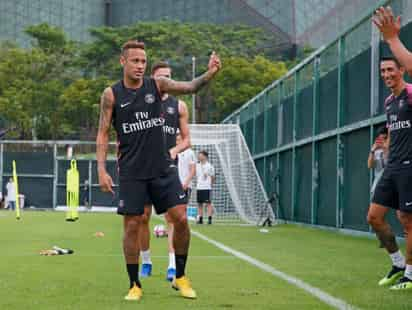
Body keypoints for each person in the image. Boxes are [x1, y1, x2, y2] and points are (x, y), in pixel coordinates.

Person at [96, 40, 221, 301]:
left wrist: (209, 73)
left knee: (182, 219)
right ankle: (134, 284)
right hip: (131, 171)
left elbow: (190, 86)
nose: (140, 66)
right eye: (135, 61)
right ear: (123, 62)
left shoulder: (158, 85)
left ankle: (181, 276)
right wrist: (101, 168)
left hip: (163, 169)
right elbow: (103, 133)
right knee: (132, 226)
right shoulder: (111, 95)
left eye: (143, 61)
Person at [139, 62, 192, 281]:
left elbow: (187, 139)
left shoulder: (179, 106)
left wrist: (175, 149)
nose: (166, 81)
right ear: (153, 79)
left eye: (169, 77)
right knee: (142, 217)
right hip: (143, 169)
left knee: (175, 218)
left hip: (167, 169)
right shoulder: (140, 102)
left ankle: (172, 266)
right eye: (162, 77)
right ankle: (146, 261)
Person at [366, 56, 412, 290]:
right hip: (391, 167)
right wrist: (386, 147)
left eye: (390, 69)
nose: (386, 75)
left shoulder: (411, 93)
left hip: (409, 166)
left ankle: (411, 276)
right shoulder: (389, 102)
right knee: (374, 217)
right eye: (383, 71)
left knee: (407, 221)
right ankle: (397, 264)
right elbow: (393, 130)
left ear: (402, 69)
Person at [196, 150, 215, 225]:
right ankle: (200, 219)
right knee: (199, 204)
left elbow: (213, 177)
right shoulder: (197, 165)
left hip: (207, 187)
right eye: (199, 155)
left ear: (205, 156)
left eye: (200, 155)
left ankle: (209, 219)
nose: (199, 156)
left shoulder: (209, 166)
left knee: (208, 203)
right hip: (199, 187)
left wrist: (210, 185)